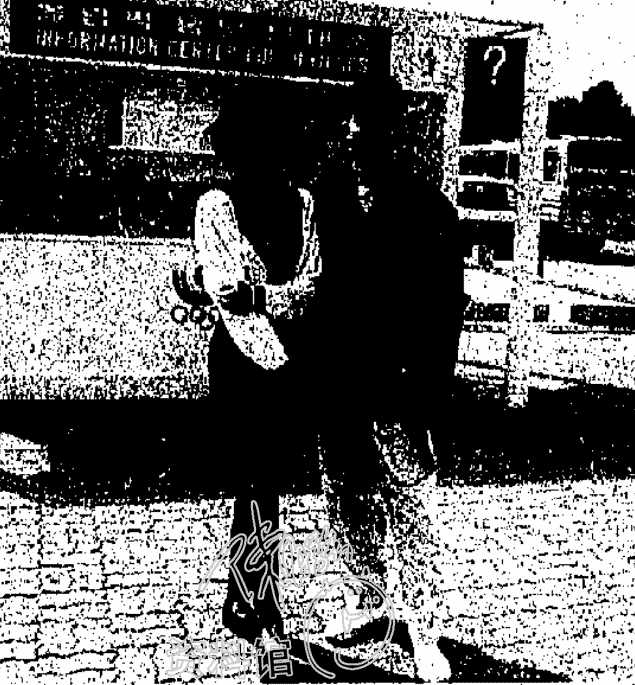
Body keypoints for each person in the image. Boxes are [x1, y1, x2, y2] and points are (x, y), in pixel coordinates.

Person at [318, 75, 466, 682]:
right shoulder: (330, 202)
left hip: (401, 390)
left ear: (395, 138)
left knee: (410, 511)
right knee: (345, 499)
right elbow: (321, 289)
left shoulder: (431, 212)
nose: (356, 147)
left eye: (369, 137)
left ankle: (424, 631)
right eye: (351, 136)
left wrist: (430, 402)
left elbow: (445, 315)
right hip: (341, 382)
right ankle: (368, 605)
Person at [189, 84, 321, 646]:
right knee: (259, 479)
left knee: (265, 481)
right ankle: (257, 603)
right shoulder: (216, 206)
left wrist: (265, 297)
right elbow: (229, 292)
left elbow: (313, 285)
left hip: (290, 358)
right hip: (243, 359)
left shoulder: (305, 204)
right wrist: (275, 313)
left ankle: (244, 598)